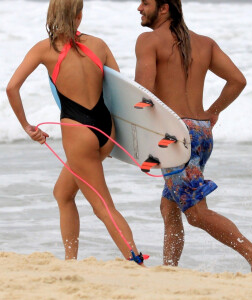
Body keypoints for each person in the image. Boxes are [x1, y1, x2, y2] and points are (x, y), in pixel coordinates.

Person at [135, 0, 252, 276]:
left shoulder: (148, 41)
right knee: (169, 205)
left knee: (196, 213)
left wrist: (132, 133)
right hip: (200, 132)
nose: (139, 8)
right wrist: (212, 112)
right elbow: (238, 80)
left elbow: (143, 93)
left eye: (145, 2)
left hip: (173, 135)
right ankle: (170, 270)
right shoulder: (205, 43)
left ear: (164, 8)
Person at [6, 0, 145, 265]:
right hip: (106, 128)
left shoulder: (43, 50)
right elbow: (121, 91)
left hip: (79, 134)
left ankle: (136, 260)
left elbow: (12, 88)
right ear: (79, 16)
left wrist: (27, 127)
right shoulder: (99, 45)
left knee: (102, 206)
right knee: (63, 193)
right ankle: (70, 260)